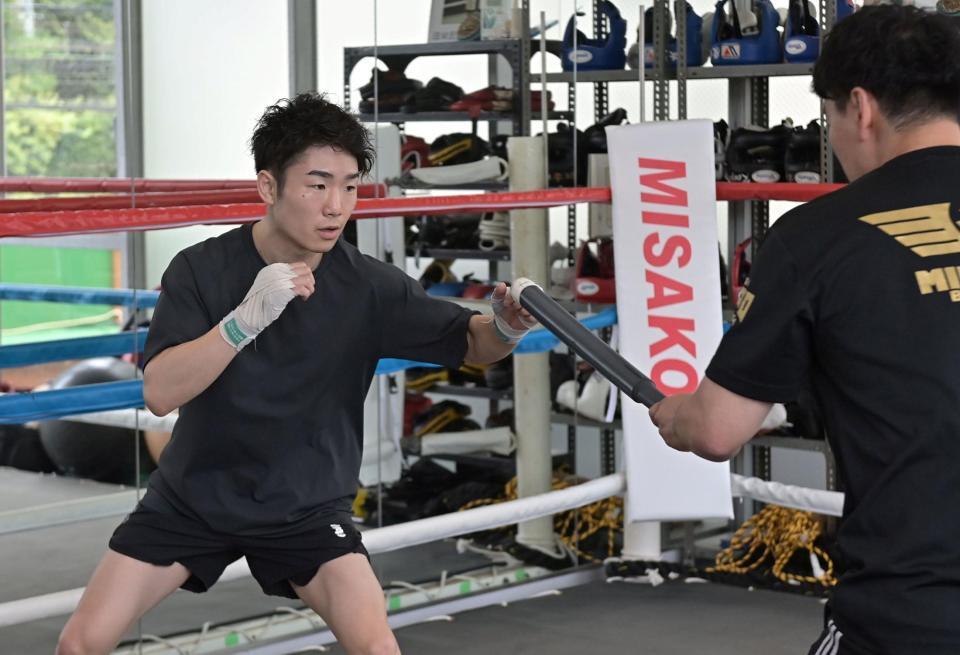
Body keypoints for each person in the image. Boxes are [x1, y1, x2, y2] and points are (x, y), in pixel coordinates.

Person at [56, 93, 536, 655]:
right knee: (80, 644)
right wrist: (241, 323)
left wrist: (507, 326)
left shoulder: (368, 287)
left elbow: (473, 342)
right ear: (268, 187)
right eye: (317, 185)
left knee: (377, 647)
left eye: (349, 187)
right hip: (194, 498)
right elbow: (160, 393)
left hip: (307, 507)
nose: (336, 206)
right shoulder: (202, 269)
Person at [648, 7, 960, 654]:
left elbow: (715, 430)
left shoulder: (816, 236)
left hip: (912, 611)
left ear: (861, 108)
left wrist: (678, 414)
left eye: (830, 118)